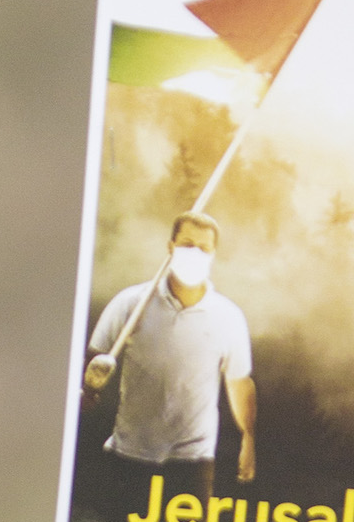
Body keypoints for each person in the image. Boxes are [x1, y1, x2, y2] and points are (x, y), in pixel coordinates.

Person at [84, 212, 255, 503]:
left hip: (192, 462)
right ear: (170, 246)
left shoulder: (228, 316)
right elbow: (94, 357)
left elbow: (239, 382)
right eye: (187, 244)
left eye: (203, 248)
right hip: (130, 454)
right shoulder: (130, 303)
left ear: (213, 255)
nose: (195, 253)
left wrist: (248, 438)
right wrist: (87, 389)